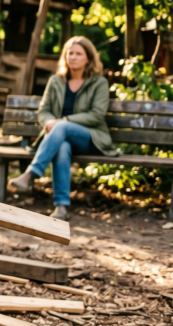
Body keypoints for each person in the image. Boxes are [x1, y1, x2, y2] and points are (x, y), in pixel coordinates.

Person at [8, 36, 119, 220]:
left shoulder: (99, 83)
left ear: (88, 59)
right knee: (62, 146)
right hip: (60, 138)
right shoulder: (56, 81)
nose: (73, 57)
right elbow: (44, 111)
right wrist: (50, 121)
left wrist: (64, 120)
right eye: (70, 53)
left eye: (78, 53)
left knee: (62, 127)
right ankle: (61, 208)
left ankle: (31, 173)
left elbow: (97, 114)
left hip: (90, 138)